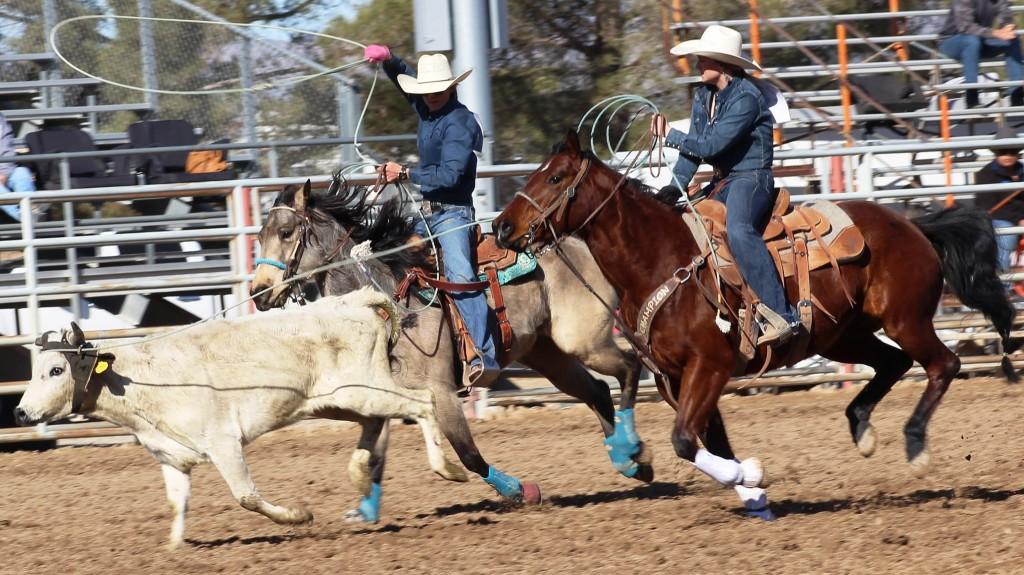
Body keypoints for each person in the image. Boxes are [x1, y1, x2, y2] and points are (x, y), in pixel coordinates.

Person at [651, 25, 800, 346]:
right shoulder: (704, 96)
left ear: (723, 64)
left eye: (703, 58)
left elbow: (711, 146)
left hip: (751, 178)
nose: (697, 63)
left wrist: (669, 136)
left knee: (739, 230)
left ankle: (783, 314)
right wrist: (676, 186)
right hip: (723, 181)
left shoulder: (747, 97)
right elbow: (696, 150)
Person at [363, 44, 499, 387]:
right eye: (426, 90)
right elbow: (404, 79)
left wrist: (406, 173)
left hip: (453, 214)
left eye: (437, 89)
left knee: (460, 277)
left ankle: (484, 355)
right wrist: (389, 60)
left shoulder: (461, 122)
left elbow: (451, 175)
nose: (431, 95)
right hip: (425, 215)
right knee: (379, 256)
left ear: (451, 87)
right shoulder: (427, 108)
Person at [939, 0, 1022, 109]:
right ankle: (972, 98)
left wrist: (1007, 26)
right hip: (951, 41)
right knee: (972, 41)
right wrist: (996, 33)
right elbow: (966, 28)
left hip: (980, 40)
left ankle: (1017, 96)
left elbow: (1005, 13)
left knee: (1012, 40)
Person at [974, 125, 1024, 276]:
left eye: (1012, 151)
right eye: (1003, 151)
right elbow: (987, 207)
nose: (1008, 155)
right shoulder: (985, 175)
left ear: (1017, 153)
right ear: (996, 153)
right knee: (1007, 235)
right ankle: (1004, 284)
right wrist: (1019, 219)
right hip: (998, 218)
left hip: (1019, 217)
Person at [0, 112, 36, 224]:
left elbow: (6, 149)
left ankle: (29, 212)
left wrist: (3, 173)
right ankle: (25, 221)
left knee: (22, 173)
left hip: (3, 169)